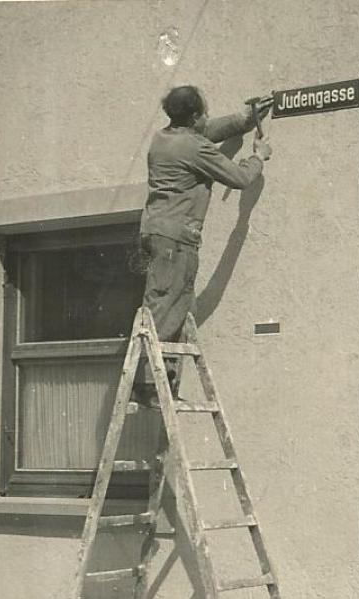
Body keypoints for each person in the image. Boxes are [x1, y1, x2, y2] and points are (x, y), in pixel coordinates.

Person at [133, 85, 273, 407]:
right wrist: (259, 156)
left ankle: (159, 383)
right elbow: (239, 178)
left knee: (173, 304)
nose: (207, 117)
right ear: (194, 116)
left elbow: (207, 131)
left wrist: (245, 119)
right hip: (176, 240)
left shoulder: (164, 139)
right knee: (165, 307)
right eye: (204, 112)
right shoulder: (194, 147)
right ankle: (148, 385)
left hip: (158, 233)